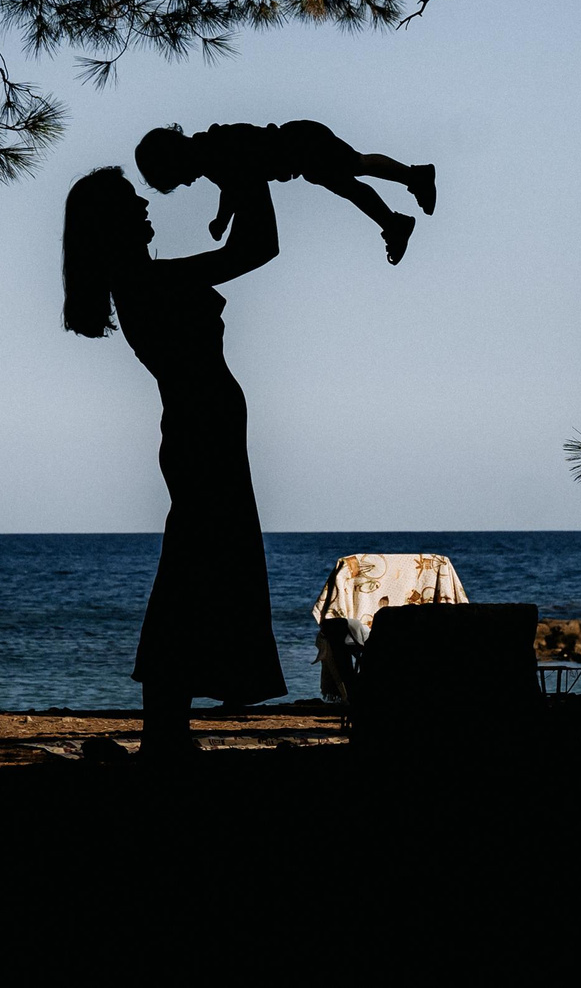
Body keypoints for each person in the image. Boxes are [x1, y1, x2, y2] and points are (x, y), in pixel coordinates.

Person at [63, 165, 288, 755]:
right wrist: (246, 167)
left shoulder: (142, 281)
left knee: (197, 575)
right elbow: (259, 247)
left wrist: (241, 177)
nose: (143, 203)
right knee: (192, 577)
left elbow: (252, 247)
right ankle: (165, 728)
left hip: (203, 438)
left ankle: (169, 727)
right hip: (201, 441)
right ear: (111, 223)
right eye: (128, 200)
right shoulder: (148, 282)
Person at [136, 120, 436, 264]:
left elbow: (237, 185)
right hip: (302, 147)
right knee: (353, 176)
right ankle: (399, 211)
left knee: (354, 175)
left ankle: (409, 190)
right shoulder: (212, 153)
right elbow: (232, 188)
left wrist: (223, 220)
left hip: (302, 145)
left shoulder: (216, 152)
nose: (187, 183)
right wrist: (222, 220)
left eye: (179, 178)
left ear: (175, 159)